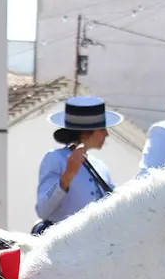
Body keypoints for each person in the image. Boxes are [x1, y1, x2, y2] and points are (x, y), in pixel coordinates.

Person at [32, 96, 121, 234]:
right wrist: (67, 177)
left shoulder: (100, 166)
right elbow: (43, 210)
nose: (107, 134)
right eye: (102, 129)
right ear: (86, 132)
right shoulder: (55, 159)